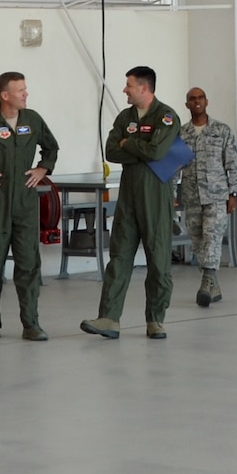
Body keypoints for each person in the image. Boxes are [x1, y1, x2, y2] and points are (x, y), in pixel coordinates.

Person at [82, 66, 184, 339]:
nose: (124, 89)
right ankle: (109, 319)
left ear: (144, 88)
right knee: (119, 258)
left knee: (158, 260)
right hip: (128, 195)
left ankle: (155, 320)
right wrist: (136, 146)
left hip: (155, 194)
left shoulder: (166, 116)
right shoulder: (125, 116)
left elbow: (158, 151)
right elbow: (112, 151)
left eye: (128, 85)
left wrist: (130, 144)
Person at [0, 71, 59, 341]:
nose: (25, 94)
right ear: (4, 95)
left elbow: (51, 148)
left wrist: (43, 168)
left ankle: (31, 323)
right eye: (20, 90)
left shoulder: (32, 120)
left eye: (25, 89)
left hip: (25, 202)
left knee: (29, 264)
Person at [178, 86, 237, 307]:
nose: (197, 102)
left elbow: (233, 163)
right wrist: (170, 193)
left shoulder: (221, 131)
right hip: (191, 194)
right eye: (192, 99)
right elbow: (173, 165)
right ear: (187, 104)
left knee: (212, 237)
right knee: (197, 238)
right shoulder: (181, 133)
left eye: (200, 98)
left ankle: (207, 282)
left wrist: (233, 193)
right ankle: (213, 284)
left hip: (217, 195)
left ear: (207, 102)